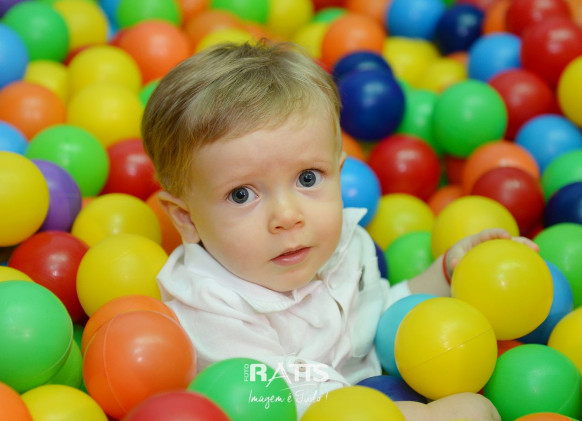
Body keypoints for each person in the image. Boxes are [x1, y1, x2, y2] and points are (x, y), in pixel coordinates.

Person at [141, 39, 534, 420]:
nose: (287, 215)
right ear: (186, 218)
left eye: (308, 178)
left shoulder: (341, 244)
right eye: (242, 195)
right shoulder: (209, 307)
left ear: (339, 173)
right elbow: (282, 400)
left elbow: (379, 321)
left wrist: (449, 275)